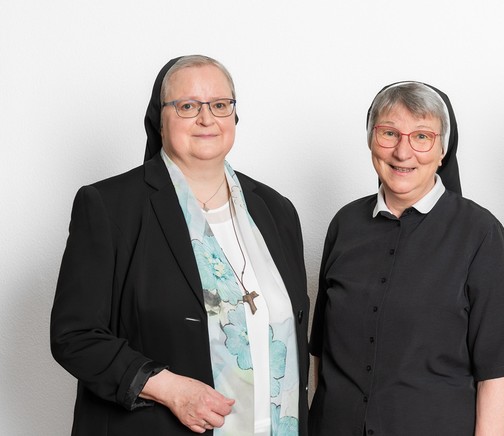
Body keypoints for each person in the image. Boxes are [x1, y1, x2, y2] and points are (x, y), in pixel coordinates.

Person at [50, 55, 310, 436]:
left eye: (220, 105)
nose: (207, 118)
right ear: (160, 118)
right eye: (188, 106)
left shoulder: (276, 210)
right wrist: (168, 388)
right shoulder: (109, 206)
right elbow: (74, 336)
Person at [308, 81, 504, 436]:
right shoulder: (344, 224)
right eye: (389, 133)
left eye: (422, 137)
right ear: (370, 140)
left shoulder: (480, 233)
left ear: (442, 149)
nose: (403, 152)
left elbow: (498, 370)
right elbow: (322, 352)